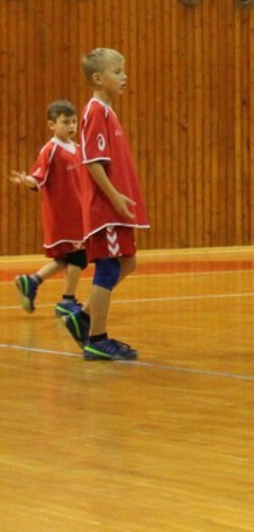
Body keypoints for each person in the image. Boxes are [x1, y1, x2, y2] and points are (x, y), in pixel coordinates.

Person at [71, 49, 150, 361]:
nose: (124, 76)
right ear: (98, 78)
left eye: (123, 70)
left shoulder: (108, 111)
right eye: (117, 71)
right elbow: (92, 161)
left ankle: (83, 317)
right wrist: (114, 196)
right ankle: (97, 339)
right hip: (105, 208)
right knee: (109, 266)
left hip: (115, 207)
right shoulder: (95, 112)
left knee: (128, 263)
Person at [10, 100, 87, 318]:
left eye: (74, 122)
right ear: (52, 125)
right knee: (78, 256)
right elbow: (38, 178)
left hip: (80, 214)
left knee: (68, 257)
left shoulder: (78, 149)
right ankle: (67, 301)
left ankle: (32, 281)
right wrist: (27, 180)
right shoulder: (51, 149)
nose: (71, 126)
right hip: (65, 215)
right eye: (65, 122)